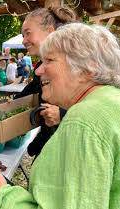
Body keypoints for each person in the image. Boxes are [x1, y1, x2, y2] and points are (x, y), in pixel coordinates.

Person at [0, 23, 120, 209]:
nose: (38, 71)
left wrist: (3, 194)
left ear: (88, 69)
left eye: (49, 61)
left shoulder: (83, 119)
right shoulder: (110, 101)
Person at [15, 6, 76, 158]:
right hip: (50, 151)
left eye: (28, 33)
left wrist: (63, 114)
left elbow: (95, 109)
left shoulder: (77, 63)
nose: (23, 40)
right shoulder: (39, 68)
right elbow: (27, 94)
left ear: (50, 32)